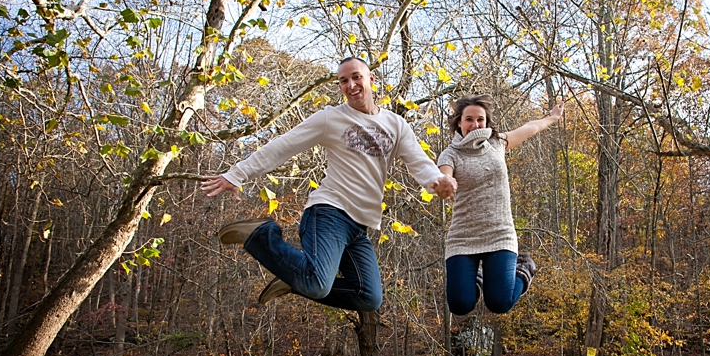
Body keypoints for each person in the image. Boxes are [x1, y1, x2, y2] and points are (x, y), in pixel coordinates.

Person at [200, 57, 457, 311]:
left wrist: (436, 181)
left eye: (357, 77)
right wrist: (236, 174)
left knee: (368, 297)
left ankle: (296, 278)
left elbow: (418, 161)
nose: (351, 85)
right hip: (329, 212)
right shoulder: (330, 118)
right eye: (343, 81)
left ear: (371, 79)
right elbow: (283, 146)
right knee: (318, 285)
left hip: (359, 226)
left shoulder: (395, 124)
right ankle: (262, 235)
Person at [437, 94, 563, 316]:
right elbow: (443, 176)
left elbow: (530, 128)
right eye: (469, 119)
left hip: (499, 233)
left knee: (499, 303)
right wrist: (446, 183)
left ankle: (524, 268)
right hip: (463, 236)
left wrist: (551, 118)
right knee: (460, 305)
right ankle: (478, 276)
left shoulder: (497, 143)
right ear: (459, 122)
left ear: (486, 122)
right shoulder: (451, 154)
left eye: (480, 119)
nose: (475, 125)